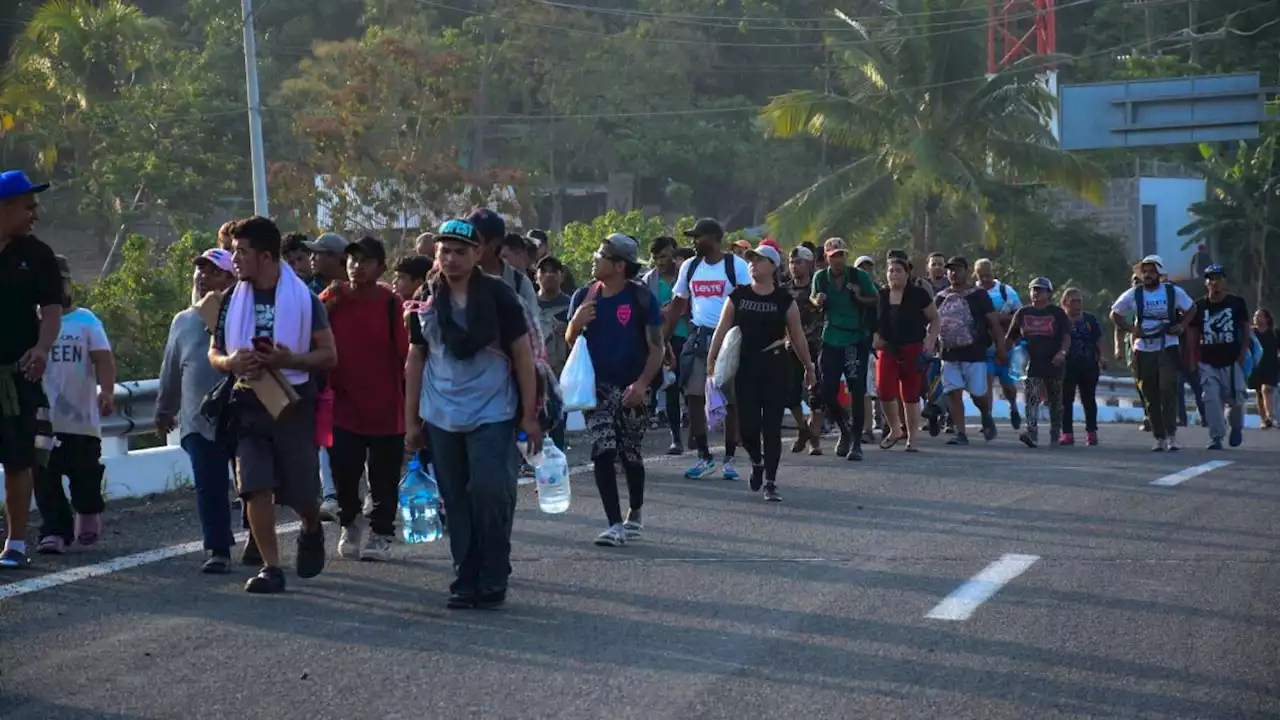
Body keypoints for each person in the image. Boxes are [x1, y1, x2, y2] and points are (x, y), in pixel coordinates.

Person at [404, 219, 542, 610]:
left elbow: (523, 355)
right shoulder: (426, 297)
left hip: (492, 411)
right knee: (455, 498)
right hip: (441, 413)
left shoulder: (498, 295)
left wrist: (529, 415)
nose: (451, 258)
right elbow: (415, 358)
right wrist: (411, 421)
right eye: (444, 251)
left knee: (489, 490)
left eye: (460, 251)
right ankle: (466, 576)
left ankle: (494, 572)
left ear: (478, 254)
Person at [209, 216, 335, 593]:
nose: (235, 259)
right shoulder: (232, 299)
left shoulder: (305, 300)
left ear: (265, 256)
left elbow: (329, 355)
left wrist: (290, 360)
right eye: (234, 251)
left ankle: (311, 527)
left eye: (242, 252)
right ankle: (271, 567)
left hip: (292, 405)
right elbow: (214, 351)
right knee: (254, 486)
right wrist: (230, 363)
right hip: (246, 401)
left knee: (302, 494)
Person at [566, 234, 664, 545]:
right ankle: (613, 524)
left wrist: (642, 384)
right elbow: (572, 343)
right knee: (603, 450)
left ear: (619, 265)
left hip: (634, 387)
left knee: (631, 455)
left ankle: (634, 511)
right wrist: (575, 323)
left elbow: (657, 348)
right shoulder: (584, 295)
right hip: (598, 389)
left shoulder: (642, 298)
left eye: (601, 254)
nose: (595, 258)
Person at [320, 237, 408, 561]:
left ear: (381, 267)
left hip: (386, 406)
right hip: (343, 405)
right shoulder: (333, 298)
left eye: (366, 260)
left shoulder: (391, 302)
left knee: (384, 477)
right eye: (353, 259)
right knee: (344, 470)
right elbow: (310, 332)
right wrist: (326, 304)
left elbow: (406, 354)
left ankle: (381, 533)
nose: (357, 266)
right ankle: (350, 523)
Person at [708, 244, 815, 502]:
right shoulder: (739, 296)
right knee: (747, 428)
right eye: (751, 260)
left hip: (776, 366)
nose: (753, 264)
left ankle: (770, 481)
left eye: (759, 260)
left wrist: (809, 367)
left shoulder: (783, 300)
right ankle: (757, 462)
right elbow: (721, 330)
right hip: (745, 368)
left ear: (773, 266)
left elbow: (797, 337)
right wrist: (711, 360)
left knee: (771, 427)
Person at [157, 248, 241, 572]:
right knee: (210, 485)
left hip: (243, 413)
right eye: (200, 271)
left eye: (213, 272)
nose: (203, 278)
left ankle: (258, 542)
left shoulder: (243, 315)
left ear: (232, 278)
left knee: (251, 483)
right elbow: (171, 369)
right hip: (198, 419)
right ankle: (218, 549)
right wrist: (164, 409)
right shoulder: (183, 321)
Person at [32, 254, 116, 554]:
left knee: (85, 474)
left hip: (81, 420)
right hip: (42, 417)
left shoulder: (85, 321)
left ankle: (88, 510)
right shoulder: (32, 323)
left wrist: (107, 391)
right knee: (44, 477)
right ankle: (54, 531)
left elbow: (103, 359)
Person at [0, 170, 61, 569]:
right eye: (28, 205)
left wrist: (41, 347)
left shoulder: (38, 256)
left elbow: (52, 312)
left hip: (16, 375)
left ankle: (16, 544)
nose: (35, 213)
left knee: (19, 459)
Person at [664, 218, 751, 480]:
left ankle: (729, 458)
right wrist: (665, 340)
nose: (693, 242)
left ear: (714, 238)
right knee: (693, 395)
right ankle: (704, 457)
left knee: (731, 398)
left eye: (698, 237)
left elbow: (747, 301)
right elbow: (678, 304)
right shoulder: (690, 267)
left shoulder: (735, 266)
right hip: (699, 337)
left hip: (729, 339)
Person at [1109, 255, 1194, 451]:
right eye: (1144, 271)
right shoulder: (1134, 294)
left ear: (1160, 274)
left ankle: (1171, 434)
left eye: (1152, 271)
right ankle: (1159, 437)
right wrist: (1132, 329)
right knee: (1150, 396)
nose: (1147, 275)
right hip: (1143, 349)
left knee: (1167, 390)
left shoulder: (1173, 292)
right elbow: (1115, 314)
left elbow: (1192, 308)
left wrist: (1181, 326)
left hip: (1168, 346)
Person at [811, 238, 878, 461]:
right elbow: (814, 299)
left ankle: (856, 442)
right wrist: (817, 300)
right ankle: (844, 427)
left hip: (855, 339)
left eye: (841, 255)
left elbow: (875, 299)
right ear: (827, 258)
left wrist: (859, 295)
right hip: (831, 338)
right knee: (826, 391)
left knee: (857, 390)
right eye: (834, 256)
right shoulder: (821, 277)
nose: (838, 260)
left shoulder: (859, 276)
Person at [936, 257, 1004, 445]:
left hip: (975, 353)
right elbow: (933, 324)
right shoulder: (940, 296)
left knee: (977, 394)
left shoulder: (979, 295)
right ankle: (961, 433)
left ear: (967, 272)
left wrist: (1000, 347)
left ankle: (985, 413)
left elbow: (993, 322)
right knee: (953, 392)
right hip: (948, 353)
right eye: (950, 270)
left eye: (957, 269)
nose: (953, 273)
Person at [873, 257, 939, 452]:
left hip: (913, 347)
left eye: (898, 271)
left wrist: (930, 340)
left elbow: (934, 318)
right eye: (890, 271)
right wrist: (875, 337)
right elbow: (873, 321)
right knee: (884, 390)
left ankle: (912, 438)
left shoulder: (918, 294)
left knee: (910, 395)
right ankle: (895, 429)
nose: (893, 274)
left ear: (907, 274)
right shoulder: (881, 295)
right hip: (887, 348)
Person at [1181, 265, 1250, 450]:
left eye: (1219, 278)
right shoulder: (1199, 306)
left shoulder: (1236, 303)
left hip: (1232, 360)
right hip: (1207, 361)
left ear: (1224, 281)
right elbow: (1192, 335)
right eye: (1211, 279)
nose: (1215, 282)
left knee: (1236, 401)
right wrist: (1192, 361)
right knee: (1210, 399)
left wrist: (1243, 353)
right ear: (1206, 283)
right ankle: (1217, 437)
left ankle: (1236, 427)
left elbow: (1245, 329)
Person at [1006, 278, 1070, 448]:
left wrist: (1062, 353)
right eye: (1034, 290)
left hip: (1054, 363)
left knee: (1055, 400)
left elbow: (1066, 337)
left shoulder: (1057, 313)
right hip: (1031, 364)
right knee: (1032, 399)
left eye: (1040, 290)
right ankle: (1032, 433)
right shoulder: (1022, 313)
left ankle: (1055, 433)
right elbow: (1011, 337)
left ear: (1049, 294)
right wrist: (1005, 354)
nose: (1036, 293)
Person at [640, 235, 686, 454]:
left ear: (675, 255)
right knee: (667, 387)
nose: (661, 262)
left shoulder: (685, 276)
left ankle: (693, 433)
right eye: (656, 257)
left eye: (665, 256)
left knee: (688, 388)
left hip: (687, 335)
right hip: (661, 339)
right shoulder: (649, 280)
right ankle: (674, 437)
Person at [974, 258, 1023, 430]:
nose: (985, 279)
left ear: (994, 273)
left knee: (1008, 385)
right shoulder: (973, 292)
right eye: (981, 276)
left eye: (988, 275)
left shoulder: (1005, 291)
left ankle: (1014, 407)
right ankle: (987, 419)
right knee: (985, 383)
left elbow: (1020, 315)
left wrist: (998, 318)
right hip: (983, 346)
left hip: (1005, 345)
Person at [784, 245, 824, 455]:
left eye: (798, 262)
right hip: (791, 347)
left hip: (817, 345)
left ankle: (814, 439)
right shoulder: (784, 289)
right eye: (791, 262)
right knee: (790, 393)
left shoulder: (818, 288)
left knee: (816, 394)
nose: (794, 266)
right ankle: (803, 428)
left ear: (809, 264)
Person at [1059, 287, 1104, 446]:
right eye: (1073, 301)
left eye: (1079, 301)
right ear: (1064, 303)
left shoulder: (1090, 320)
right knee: (1066, 400)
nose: (1077, 305)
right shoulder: (1060, 320)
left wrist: (1101, 357)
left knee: (1089, 399)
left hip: (1088, 364)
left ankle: (1091, 432)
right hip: (1067, 365)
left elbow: (1097, 339)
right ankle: (1067, 433)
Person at [535, 255, 572, 450]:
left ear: (561, 276)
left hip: (560, 368)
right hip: (533, 368)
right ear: (536, 276)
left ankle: (557, 454)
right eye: (544, 271)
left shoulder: (571, 304)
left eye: (553, 271)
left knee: (557, 414)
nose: (548, 275)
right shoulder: (528, 303)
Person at [1249, 309, 1278, 428]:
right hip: (1256, 366)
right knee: (1259, 392)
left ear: (1266, 319)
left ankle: (1271, 416)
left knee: (1267, 389)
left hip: (1271, 365)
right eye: (1255, 315)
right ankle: (1264, 419)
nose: (1256, 318)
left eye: (1260, 315)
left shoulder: (1274, 332)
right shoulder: (1251, 333)